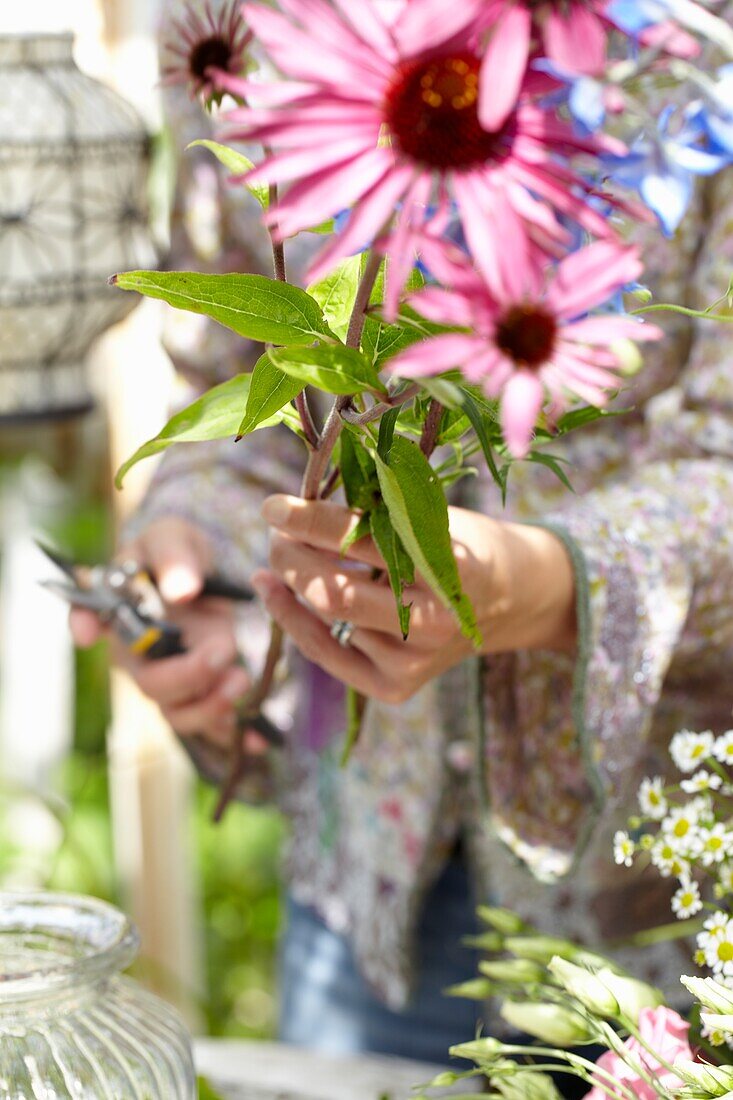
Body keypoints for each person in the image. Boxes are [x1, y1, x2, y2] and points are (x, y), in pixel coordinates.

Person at [72, 0, 733, 1081]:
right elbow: (239, 405)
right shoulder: (259, 31)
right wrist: (197, 558)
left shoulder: (690, 55)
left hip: (665, 896)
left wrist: (549, 582)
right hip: (368, 882)